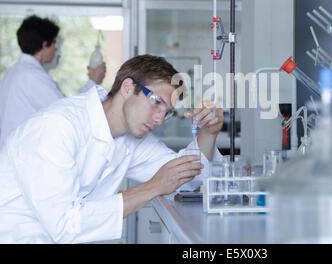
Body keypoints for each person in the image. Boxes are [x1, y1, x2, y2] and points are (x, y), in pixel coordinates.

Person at [0, 54, 224, 243]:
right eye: (156, 101)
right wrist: (152, 187)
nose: (159, 118)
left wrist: (209, 132)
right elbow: (64, 226)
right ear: (128, 87)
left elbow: (185, 177)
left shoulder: (130, 137)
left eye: (167, 112)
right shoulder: (58, 127)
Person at [0, 15, 106, 147]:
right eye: (55, 42)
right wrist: (93, 81)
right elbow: (67, 111)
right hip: (20, 154)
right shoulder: (32, 76)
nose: (56, 49)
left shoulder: (15, 72)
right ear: (45, 45)